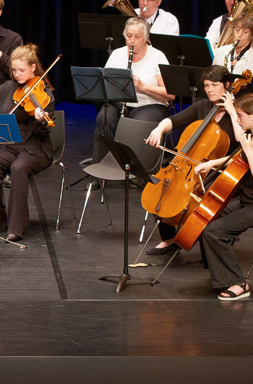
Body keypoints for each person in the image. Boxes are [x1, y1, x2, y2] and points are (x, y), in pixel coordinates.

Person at [197, 91, 253, 300]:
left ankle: (238, 283)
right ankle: (220, 275)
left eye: (240, 115)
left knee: (214, 232)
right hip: (248, 202)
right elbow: (235, 158)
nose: (236, 119)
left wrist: (250, 153)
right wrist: (211, 163)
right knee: (205, 219)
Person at [144, 66, 236, 254]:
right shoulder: (203, 106)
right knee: (164, 183)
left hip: (222, 166)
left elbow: (244, 142)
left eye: (215, 85)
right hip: (193, 163)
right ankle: (168, 239)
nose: (209, 90)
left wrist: (232, 112)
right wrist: (159, 129)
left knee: (205, 196)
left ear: (227, 85)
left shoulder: (238, 110)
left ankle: (205, 242)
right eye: (206, 85)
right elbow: (175, 120)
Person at [0, 45, 59, 242]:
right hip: (7, 144)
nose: (17, 74)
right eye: (14, 70)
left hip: (34, 147)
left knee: (18, 168)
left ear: (33, 68)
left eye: (22, 70)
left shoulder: (45, 93)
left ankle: (16, 228)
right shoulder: (6, 88)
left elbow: (45, 131)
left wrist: (41, 120)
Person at [93, 16, 172, 168]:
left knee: (137, 123)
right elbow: (104, 84)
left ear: (146, 38)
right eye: (129, 36)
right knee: (104, 117)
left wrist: (143, 87)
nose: (132, 41)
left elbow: (170, 93)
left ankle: (137, 171)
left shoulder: (157, 56)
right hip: (121, 102)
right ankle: (100, 168)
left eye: (137, 37)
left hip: (151, 104)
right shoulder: (117, 54)